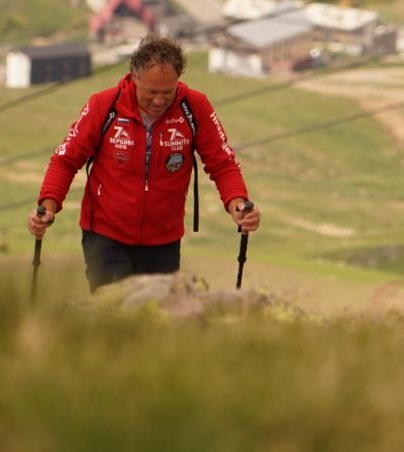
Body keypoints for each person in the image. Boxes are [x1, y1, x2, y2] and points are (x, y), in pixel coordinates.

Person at [28, 35, 261, 291]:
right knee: (115, 312)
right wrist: (46, 208)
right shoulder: (104, 106)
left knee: (156, 318)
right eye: (151, 92)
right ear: (134, 77)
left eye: (167, 92)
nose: (159, 101)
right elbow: (65, 160)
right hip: (106, 237)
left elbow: (222, 163)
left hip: (164, 241)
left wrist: (238, 204)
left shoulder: (194, 107)